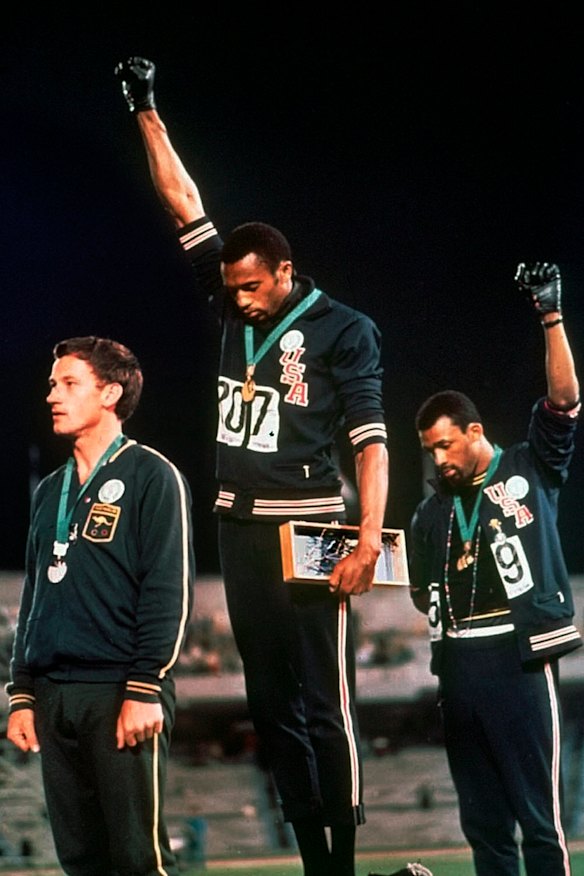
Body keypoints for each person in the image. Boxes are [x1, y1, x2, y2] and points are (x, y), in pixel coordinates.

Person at [114, 57, 391, 876]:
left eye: (248, 288)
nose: (235, 301)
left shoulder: (346, 330)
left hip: (311, 530)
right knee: (272, 709)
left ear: (283, 272)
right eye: (229, 289)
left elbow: (371, 442)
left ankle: (342, 858)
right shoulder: (232, 297)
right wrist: (146, 109)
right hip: (238, 528)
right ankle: (312, 859)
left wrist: (368, 539)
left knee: (324, 704)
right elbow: (185, 206)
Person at [409, 262, 582, 876]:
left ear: (475, 432)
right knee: (483, 827)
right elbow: (415, 592)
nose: (438, 458)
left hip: (518, 658)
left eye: (446, 444)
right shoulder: (430, 514)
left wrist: (550, 315)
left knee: (539, 822)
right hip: (456, 666)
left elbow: (563, 402)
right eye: (429, 449)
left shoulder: (528, 468)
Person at [6, 336, 195, 876]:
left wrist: (145, 687)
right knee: (81, 861)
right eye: (51, 384)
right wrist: (22, 694)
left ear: (110, 393)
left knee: (139, 860)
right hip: (52, 695)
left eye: (69, 384)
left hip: (119, 693)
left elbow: (167, 591)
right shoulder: (49, 492)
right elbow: (34, 597)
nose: (52, 396)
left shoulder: (152, 476)